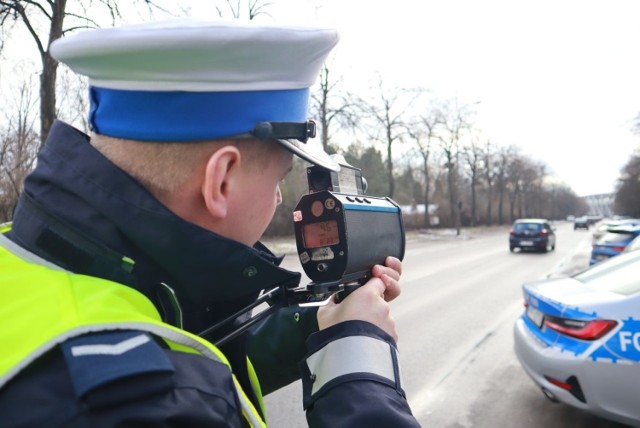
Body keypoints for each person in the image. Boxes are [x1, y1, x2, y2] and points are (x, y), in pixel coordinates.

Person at [0, 19, 420, 427]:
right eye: (278, 178)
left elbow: (186, 343)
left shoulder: (29, 257)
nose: (278, 198)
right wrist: (359, 362)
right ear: (220, 180)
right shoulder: (142, 406)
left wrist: (320, 326)